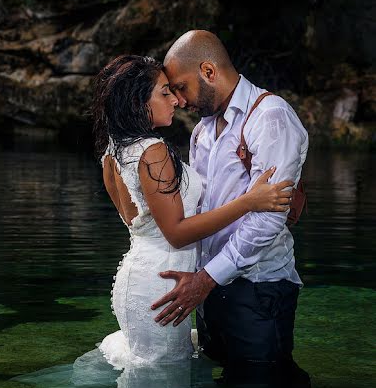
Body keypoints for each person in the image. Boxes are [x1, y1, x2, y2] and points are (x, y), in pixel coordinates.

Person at [89, 53, 294, 369]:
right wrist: (248, 201)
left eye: (175, 89)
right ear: (137, 102)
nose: (176, 101)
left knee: (156, 380)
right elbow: (176, 231)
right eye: (165, 92)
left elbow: (146, 221)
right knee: (166, 382)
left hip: (141, 277)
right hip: (165, 284)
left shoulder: (111, 154)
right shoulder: (154, 151)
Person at [151, 30, 313, 388]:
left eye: (181, 87)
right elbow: (203, 209)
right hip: (210, 287)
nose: (177, 99)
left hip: (258, 289)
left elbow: (269, 219)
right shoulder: (204, 130)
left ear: (208, 70)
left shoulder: (271, 117)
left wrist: (205, 280)